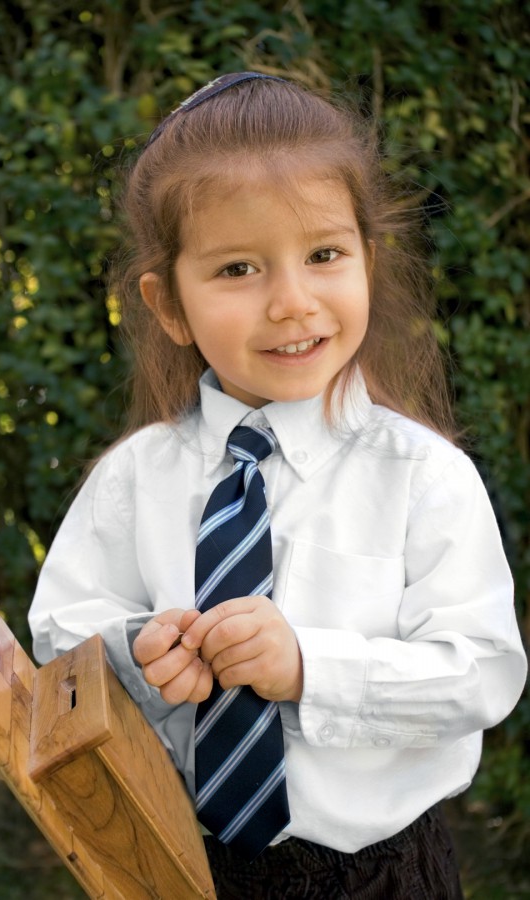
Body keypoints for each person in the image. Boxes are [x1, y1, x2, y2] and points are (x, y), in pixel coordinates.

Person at [28, 72, 527, 899]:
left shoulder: (424, 477)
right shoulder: (134, 479)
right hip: (180, 864)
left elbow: (481, 672)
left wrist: (308, 665)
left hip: (383, 877)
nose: (293, 302)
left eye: (324, 254)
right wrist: (136, 652)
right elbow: (59, 638)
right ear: (170, 305)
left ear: (368, 258)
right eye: (238, 269)